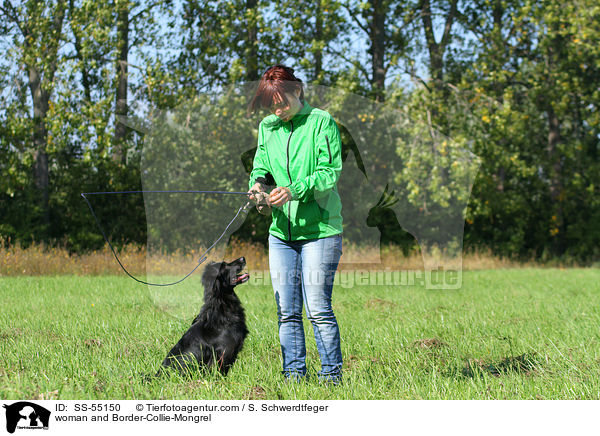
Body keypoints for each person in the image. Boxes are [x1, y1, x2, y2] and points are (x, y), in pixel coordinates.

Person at [247, 65, 344, 384]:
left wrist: (294, 190)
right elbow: (262, 165)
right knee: (286, 311)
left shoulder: (321, 122)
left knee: (317, 309)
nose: (277, 109)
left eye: (281, 101)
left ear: (297, 91)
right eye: (271, 104)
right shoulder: (268, 128)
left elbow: (329, 173)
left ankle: (331, 379)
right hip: (281, 235)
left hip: (320, 232)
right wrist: (259, 186)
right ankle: (293, 377)